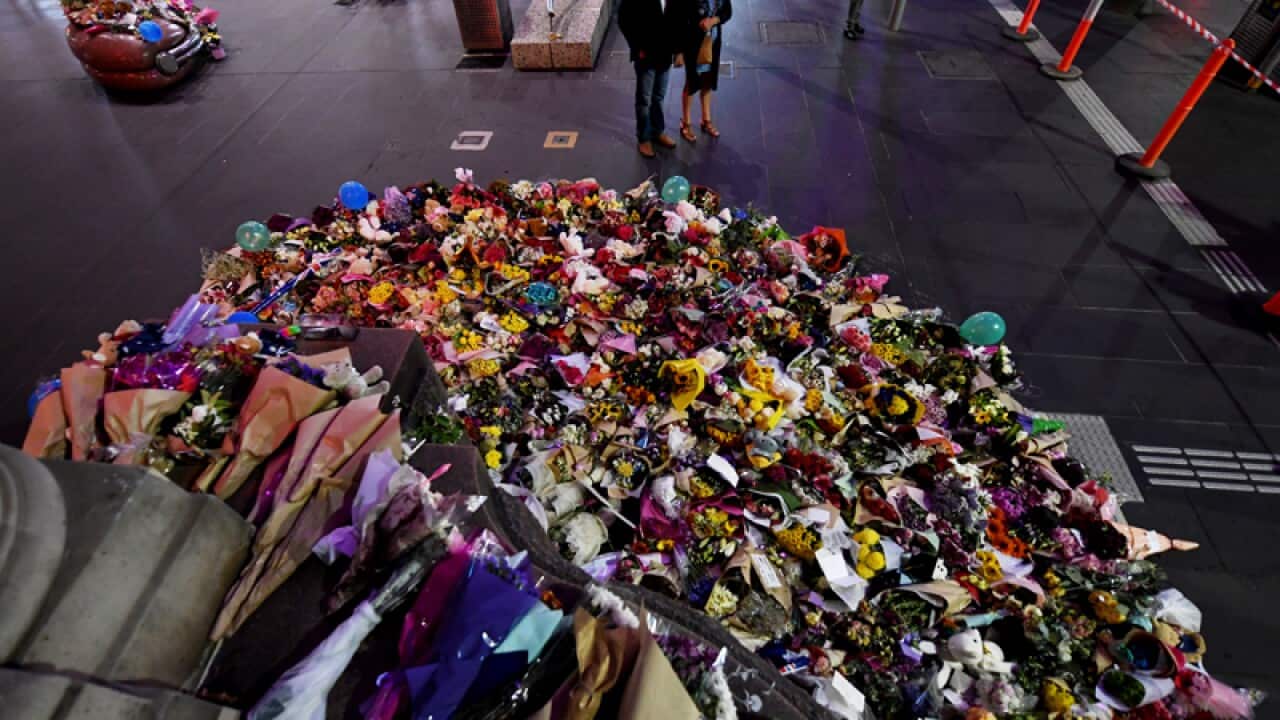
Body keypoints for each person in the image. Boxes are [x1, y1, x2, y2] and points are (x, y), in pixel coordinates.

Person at [619, 0, 679, 158]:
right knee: (644, 100)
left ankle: (657, 131)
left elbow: (678, 18)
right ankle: (644, 138)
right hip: (646, 56)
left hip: (665, 54)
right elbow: (623, 19)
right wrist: (636, 47)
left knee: (659, 97)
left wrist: (678, 50)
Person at [677, 0, 731, 142]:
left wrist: (714, 20)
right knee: (691, 83)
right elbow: (680, 20)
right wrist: (679, 51)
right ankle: (686, 123)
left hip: (713, 43)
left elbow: (727, 12)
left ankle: (706, 120)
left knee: (708, 81)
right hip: (693, 44)